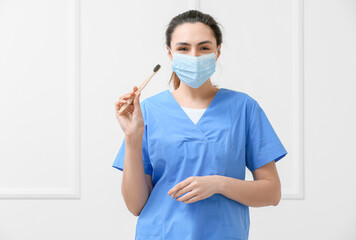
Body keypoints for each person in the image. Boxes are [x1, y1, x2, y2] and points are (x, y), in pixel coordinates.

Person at [113, 10, 287, 240]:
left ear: (217, 52)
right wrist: (132, 137)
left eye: (204, 48)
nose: (194, 56)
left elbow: (272, 192)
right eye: (183, 48)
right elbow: (135, 206)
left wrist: (218, 184)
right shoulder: (147, 112)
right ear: (170, 53)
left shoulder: (244, 108)